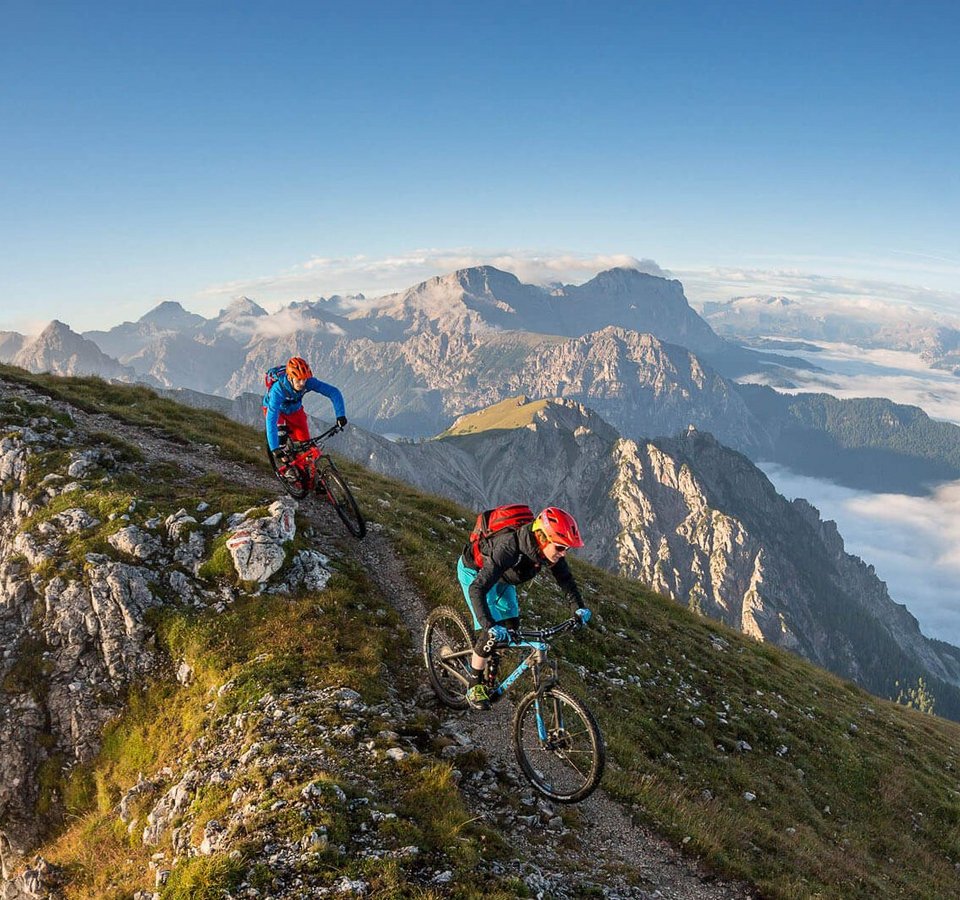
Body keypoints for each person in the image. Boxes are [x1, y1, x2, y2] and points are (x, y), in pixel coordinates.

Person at [457, 506, 592, 710]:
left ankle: (488, 664)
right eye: (560, 547)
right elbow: (477, 589)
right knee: (490, 634)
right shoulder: (509, 548)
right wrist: (489, 625)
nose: (563, 553)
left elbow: (566, 580)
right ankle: (474, 685)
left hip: (502, 578)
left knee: (511, 628)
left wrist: (578, 608)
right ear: (543, 537)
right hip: (475, 574)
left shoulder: (547, 550)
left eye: (567, 548)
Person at [263, 356, 348, 474]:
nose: (302, 383)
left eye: (304, 379)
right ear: (290, 377)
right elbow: (271, 419)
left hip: (295, 410)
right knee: (281, 436)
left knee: (307, 446)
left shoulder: (308, 381)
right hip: (276, 411)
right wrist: (274, 448)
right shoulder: (278, 390)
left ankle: (312, 478)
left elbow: (333, 392)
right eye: (298, 380)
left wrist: (340, 415)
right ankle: (287, 465)